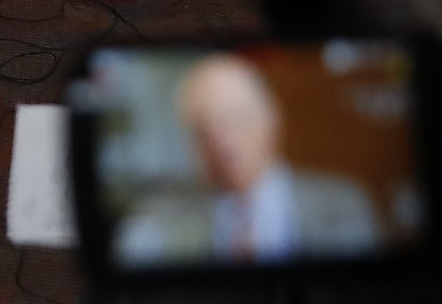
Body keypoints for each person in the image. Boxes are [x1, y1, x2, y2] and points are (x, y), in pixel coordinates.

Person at [115, 54, 382, 267]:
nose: (222, 142)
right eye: (203, 129)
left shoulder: (344, 205)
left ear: (270, 119)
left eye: (235, 118)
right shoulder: (157, 224)